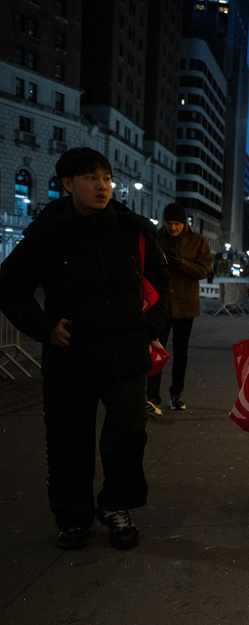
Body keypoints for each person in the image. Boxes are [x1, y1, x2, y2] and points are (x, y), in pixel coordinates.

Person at [0, 147, 170, 550]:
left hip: (127, 354)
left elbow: (163, 282)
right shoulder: (47, 233)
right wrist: (43, 326)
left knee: (128, 433)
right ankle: (73, 517)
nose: (102, 186)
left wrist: (149, 326)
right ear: (67, 185)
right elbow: (9, 286)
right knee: (67, 440)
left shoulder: (133, 229)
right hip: (70, 356)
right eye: (91, 178)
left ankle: (115, 505)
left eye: (107, 178)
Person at [145, 202, 212, 416]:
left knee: (181, 352)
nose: (172, 228)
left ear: (184, 223)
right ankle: (152, 397)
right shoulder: (154, 238)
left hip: (185, 304)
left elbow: (204, 270)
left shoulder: (198, 241)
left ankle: (176, 394)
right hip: (160, 304)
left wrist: (180, 263)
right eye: (168, 223)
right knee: (156, 349)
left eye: (176, 224)